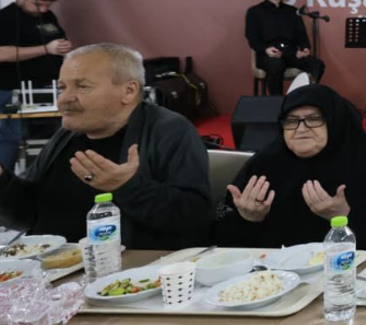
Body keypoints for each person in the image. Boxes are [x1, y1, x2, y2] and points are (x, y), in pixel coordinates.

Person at [0, 44, 210, 250]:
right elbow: (25, 216)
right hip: (48, 265)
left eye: (83, 87)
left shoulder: (169, 130)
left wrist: (127, 187)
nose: (64, 99)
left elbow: (194, 218)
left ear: (128, 91)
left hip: (131, 268)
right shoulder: (65, 137)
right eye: (62, 87)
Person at [216, 84, 366, 252]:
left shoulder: (364, 160)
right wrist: (248, 219)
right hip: (274, 274)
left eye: (313, 118)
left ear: (334, 121)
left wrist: (344, 216)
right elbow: (221, 239)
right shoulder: (266, 163)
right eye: (291, 121)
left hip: (352, 269)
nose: (301, 129)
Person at [0, 0, 71, 172]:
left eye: (47, 5)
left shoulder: (48, 16)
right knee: (11, 139)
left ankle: (44, 176)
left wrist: (61, 47)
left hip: (48, 88)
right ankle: (5, 180)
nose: (43, 9)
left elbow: (56, 38)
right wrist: (45, 49)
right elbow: (2, 53)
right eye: (37, 4)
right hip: (11, 89)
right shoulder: (6, 18)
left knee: (53, 138)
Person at [245, 0, 324, 95]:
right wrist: (265, 50)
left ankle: (304, 98)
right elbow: (252, 38)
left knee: (317, 64)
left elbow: (301, 35)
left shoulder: (293, 11)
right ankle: (277, 103)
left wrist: (305, 48)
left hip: (291, 54)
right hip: (268, 55)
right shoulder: (254, 12)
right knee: (276, 66)